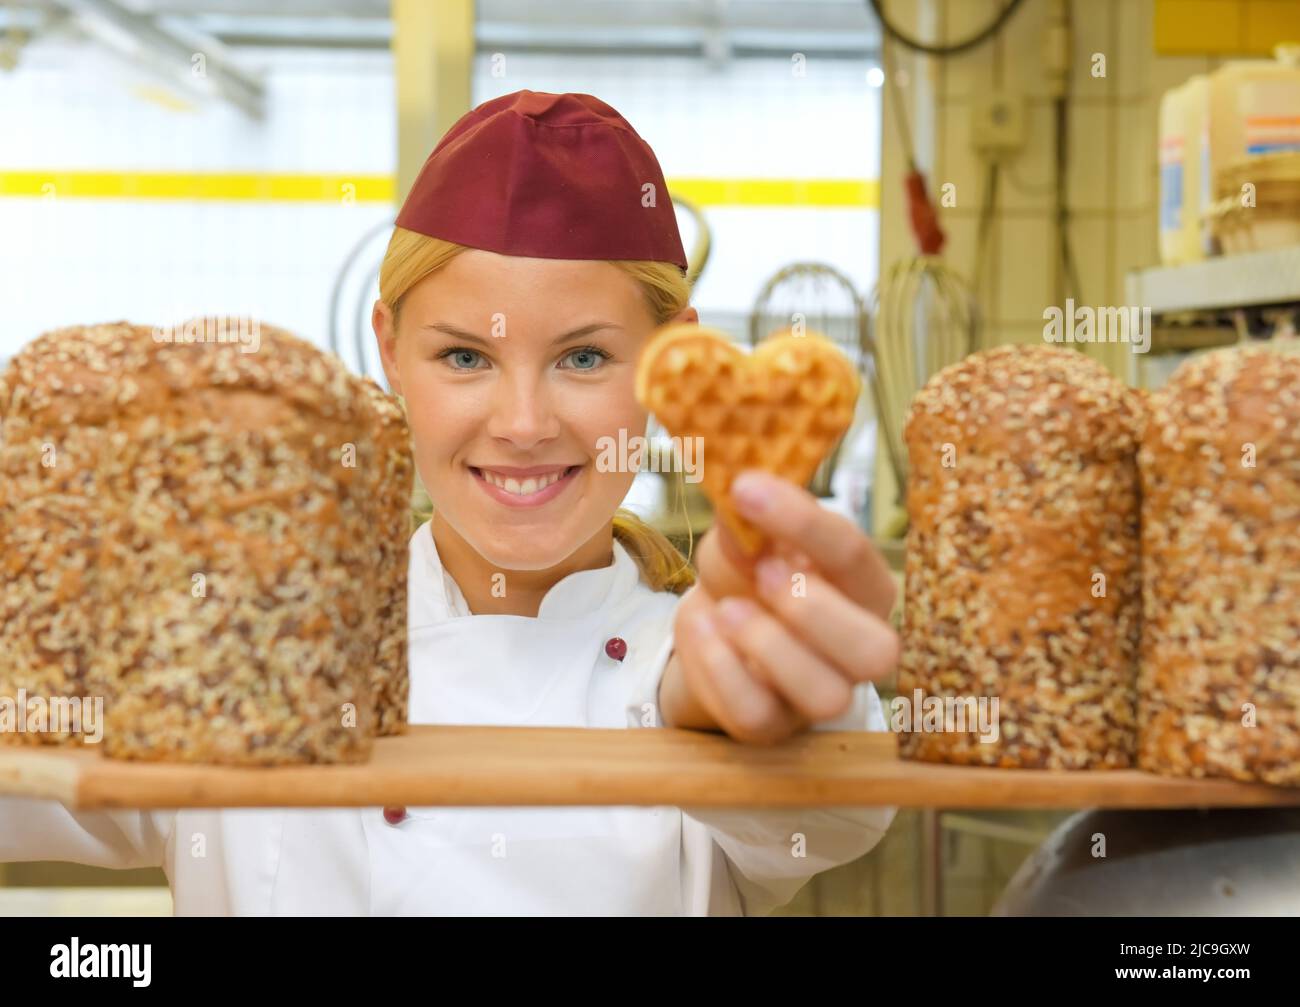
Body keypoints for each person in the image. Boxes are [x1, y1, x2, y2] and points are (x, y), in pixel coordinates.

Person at [0, 90, 900, 916]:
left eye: (584, 357)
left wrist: (765, 694)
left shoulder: (685, 660)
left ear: (673, 362)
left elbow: (824, 808)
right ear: (389, 350)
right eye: (464, 357)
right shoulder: (235, 652)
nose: (521, 423)